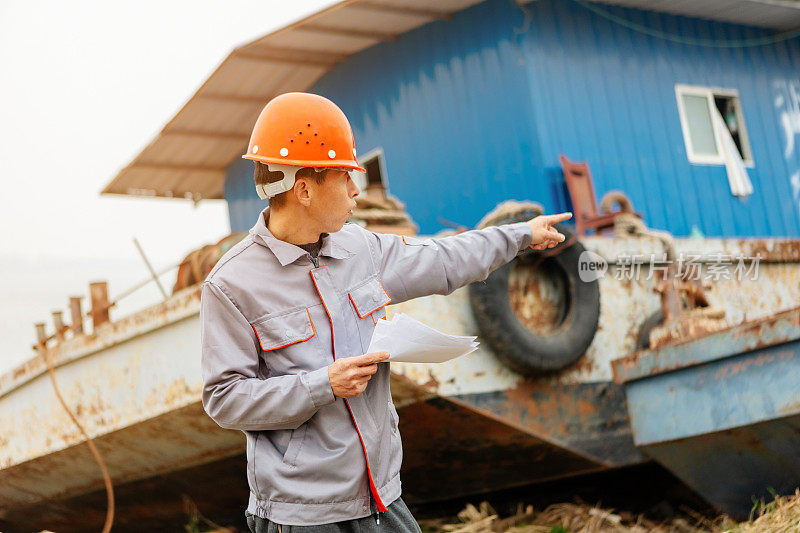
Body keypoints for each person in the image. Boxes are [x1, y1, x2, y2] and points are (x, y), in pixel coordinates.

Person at [199, 92, 572, 533]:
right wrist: (324, 385)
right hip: (301, 517)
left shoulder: (360, 248)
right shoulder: (230, 284)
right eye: (344, 177)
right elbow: (224, 399)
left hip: (380, 497)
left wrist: (519, 236)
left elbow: (443, 258)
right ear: (303, 188)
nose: (357, 191)